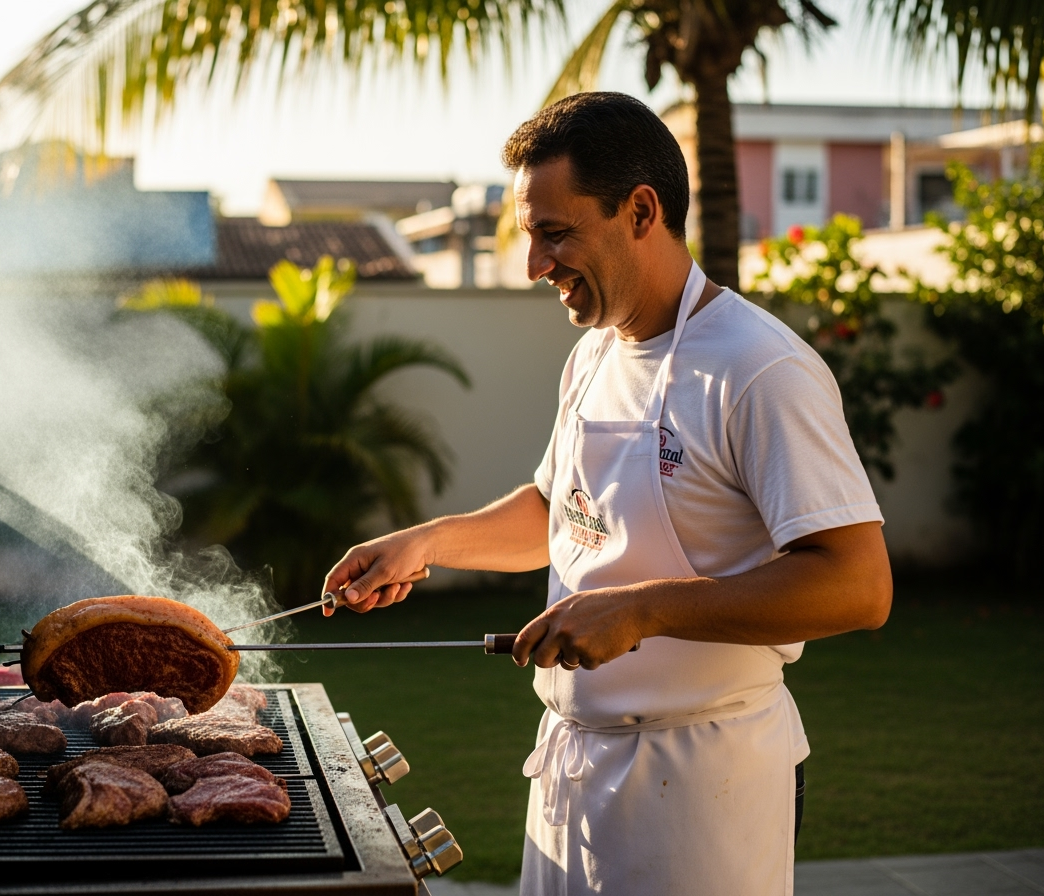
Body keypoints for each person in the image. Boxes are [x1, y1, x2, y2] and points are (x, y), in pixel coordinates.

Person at [321, 92, 892, 895]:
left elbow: (858, 585)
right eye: (531, 236)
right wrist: (428, 542)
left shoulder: (760, 368)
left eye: (556, 233)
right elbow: (563, 514)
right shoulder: (593, 353)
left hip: (702, 787)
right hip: (570, 763)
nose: (535, 266)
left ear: (640, 211)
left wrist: (642, 609)